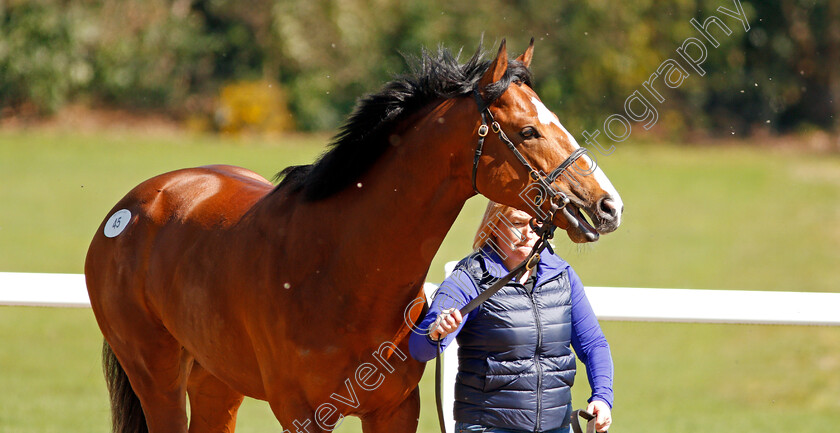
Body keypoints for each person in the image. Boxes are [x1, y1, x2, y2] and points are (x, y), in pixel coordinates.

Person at [409, 202, 614, 433]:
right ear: (494, 225)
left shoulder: (562, 275)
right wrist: (436, 332)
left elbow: (593, 344)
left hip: (557, 427)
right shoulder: (467, 278)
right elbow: (419, 349)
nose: (528, 233)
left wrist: (603, 397)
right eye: (517, 223)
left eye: (536, 223)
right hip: (487, 427)